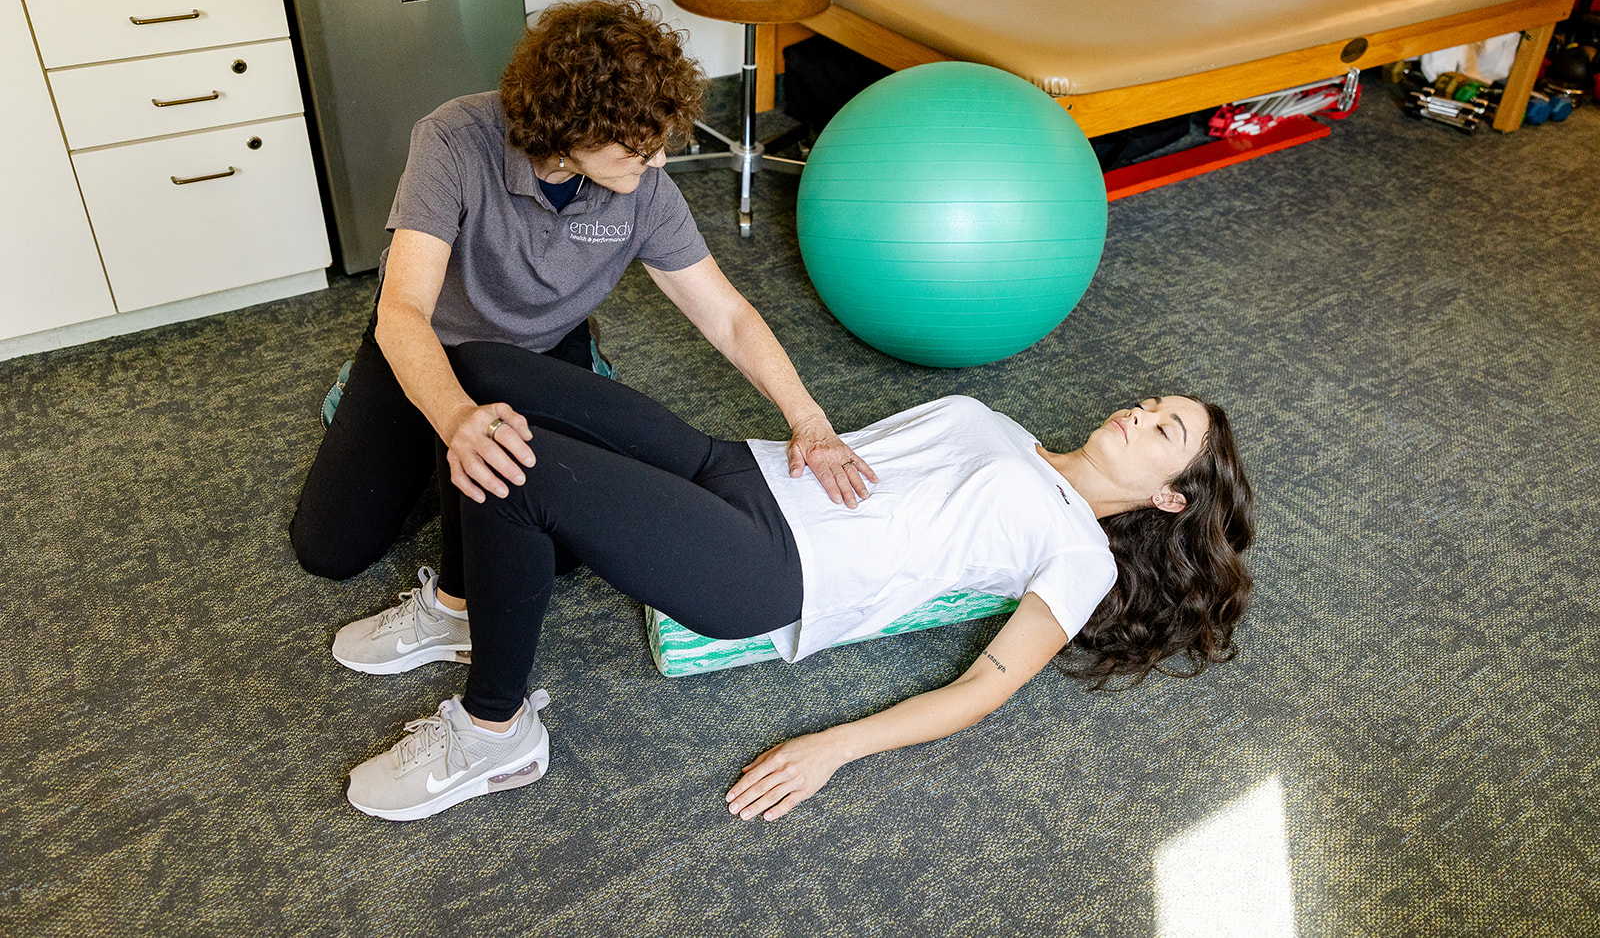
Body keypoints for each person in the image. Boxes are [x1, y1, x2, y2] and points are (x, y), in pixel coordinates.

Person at [334, 346, 1253, 822]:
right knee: (488, 379)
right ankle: (462, 606)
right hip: (742, 468)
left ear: (1169, 497)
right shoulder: (1010, 430)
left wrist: (836, 747)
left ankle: (495, 730)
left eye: (1164, 430)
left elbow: (984, 689)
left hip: (769, 568)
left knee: (518, 474)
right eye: (1154, 402)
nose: (1141, 412)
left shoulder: (1081, 555)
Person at [290, 0, 875, 614]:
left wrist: (809, 421)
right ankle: (380, 406)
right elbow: (403, 309)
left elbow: (728, 317)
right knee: (329, 550)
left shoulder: (647, 192)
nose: (659, 162)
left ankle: (569, 379)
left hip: (541, 354)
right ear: (575, 131)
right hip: (430, 340)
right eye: (636, 149)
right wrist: (455, 416)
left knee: (565, 551)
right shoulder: (454, 141)